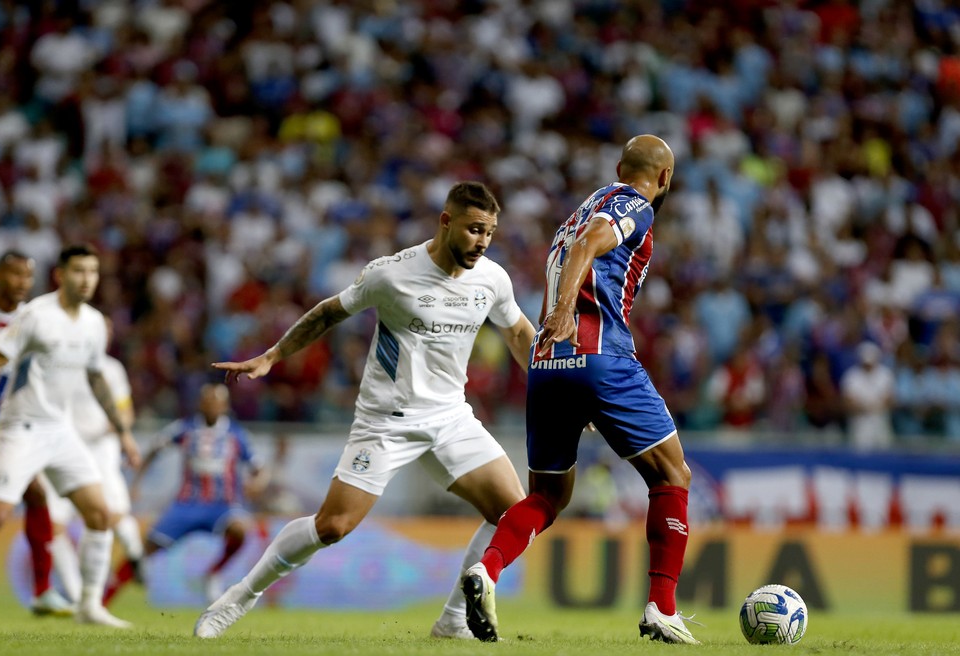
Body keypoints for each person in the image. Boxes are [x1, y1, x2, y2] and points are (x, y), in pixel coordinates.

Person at [193, 181, 534, 640]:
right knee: (332, 526)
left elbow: (518, 336)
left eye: (489, 232)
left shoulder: (492, 279)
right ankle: (239, 596)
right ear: (446, 221)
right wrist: (271, 356)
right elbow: (327, 314)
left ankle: (453, 620)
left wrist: (557, 390)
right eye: (474, 230)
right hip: (387, 422)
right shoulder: (391, 274)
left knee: (515, 514)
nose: (482, 242)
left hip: (451, 417)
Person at [460, 135, 700, 644]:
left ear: (618, 166)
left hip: (547, 363)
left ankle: (487, 569)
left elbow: (581, 239)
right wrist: (566, 310)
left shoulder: (578, 209)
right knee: (672, 474)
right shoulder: (632, 204)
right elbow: (594, 241)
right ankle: (662, 607)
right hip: (600, 355)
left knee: (547, 495)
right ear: (664, 180)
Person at [0, 244, 140, 628]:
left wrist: (123, 433)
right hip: (22, 428)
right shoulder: (36, 315)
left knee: (99, 514)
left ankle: (89, 606)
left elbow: (97, 377)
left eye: (92, 272)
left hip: (60, 431)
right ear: (61, 275)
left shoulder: (95, 323)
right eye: (79, 271)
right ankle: (50, 591)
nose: (87, 280)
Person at [103, 383, 265, 605]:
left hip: (222, 504)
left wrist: (257, 483)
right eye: (207, 401)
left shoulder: (236, 434)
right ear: (200, 403)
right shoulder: (185, 428)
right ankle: (103, 600)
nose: (211, 406)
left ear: (225, 406)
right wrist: (137, 483)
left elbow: (258, 468)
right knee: (143, 550)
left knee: (240, 529)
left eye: (216, 402)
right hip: (186, 504)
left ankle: (213, 573)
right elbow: (155, 449)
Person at [0, 251, 73, 615]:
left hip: (6, 426)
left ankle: (43, 590)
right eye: (15, 274)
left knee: (34, 494)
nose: (21, 283)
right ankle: (43, 590)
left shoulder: (31, 321)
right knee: (17, 501)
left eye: (27, 277)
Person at [42, 315, 145, 606]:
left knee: (112, 514)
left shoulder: (112, 370)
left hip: (101, 447)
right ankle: (77, 595)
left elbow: (126, 411)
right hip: (63, 449)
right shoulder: (59, 364)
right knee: (54, 524)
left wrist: (118, 430)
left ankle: (135, 556)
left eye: (108, 330)